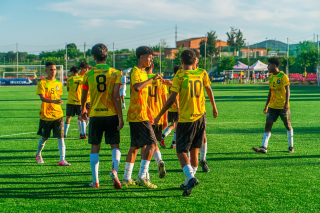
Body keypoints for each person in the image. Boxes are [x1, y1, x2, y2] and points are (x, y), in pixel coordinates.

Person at [154, 49, 218, 197]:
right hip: (201, 117)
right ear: (195, 62)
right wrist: (214, 108)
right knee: (195, 149)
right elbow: (209, 89)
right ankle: (187, 181)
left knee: (181, 151)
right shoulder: (202, 73)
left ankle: (190, 178)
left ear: (181, 62)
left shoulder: (180, 75)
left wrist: (159, 116)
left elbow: (171, 100)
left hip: (186, 119)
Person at [81, 43, 124, 189]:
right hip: (111, 114)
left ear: (94, 57)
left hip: (95, 115)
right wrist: (120, 116)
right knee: (115, 146)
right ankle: (114, 170)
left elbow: (84, 94)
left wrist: (83, 109)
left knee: (95, 147)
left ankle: (95, 181)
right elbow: (116, 96)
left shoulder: (88, 74)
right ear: (107, 56)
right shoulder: (115, 72)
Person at [122, 46, 161, 189]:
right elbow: (137, 87)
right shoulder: (135, 72)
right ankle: (142, 177)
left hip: (140, 114)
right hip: (138, 115)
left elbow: (142, 97)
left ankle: (126, 178)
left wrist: (149, 112)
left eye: (152, 57)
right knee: (151, 144)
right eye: (149, 56)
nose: (151, 59)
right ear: (141, 57)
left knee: (135, 147)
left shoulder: (143, 73)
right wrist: (151, 79)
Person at [253, 58, 293, 154]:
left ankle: (291, 147)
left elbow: (288, 90)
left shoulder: (283, 76)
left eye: (269, 64)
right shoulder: (270, 77)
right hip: (272, 106)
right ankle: (263, 147)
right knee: (268, 125)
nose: (268, 66)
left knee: (287, 125)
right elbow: (270, 92)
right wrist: (266, 106)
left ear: (275, 65)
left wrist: (286, 103)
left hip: (283, 106)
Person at [35, 61, 71, 166]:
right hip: (46, 115)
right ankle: (38, 154)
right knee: (45, 137)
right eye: (51, 69)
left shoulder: (58, 84)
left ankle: (62, 159)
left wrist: (58, 102)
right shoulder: (42, 83)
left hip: (58, 114)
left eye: (55, 69)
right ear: (46, 71)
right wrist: (54, 101)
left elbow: (57, 97)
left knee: (61, 136)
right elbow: (42, 98)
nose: (53, 71)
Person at [143, 62, 167, 179]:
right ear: (152, 67)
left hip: (145, 117)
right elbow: (165, 100)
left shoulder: (142, 80)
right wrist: (165, 118)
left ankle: (145, 173)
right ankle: (159, 160)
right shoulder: (160, 80)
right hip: (158, 116)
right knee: (154, 143)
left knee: (145, 146)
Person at [161, 65, 180, 149]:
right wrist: (179, 107)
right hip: (176, 107)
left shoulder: (171, 80)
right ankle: (174, 144)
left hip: (170, 107)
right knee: (177, 126)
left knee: (173, 125)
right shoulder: (177, 80)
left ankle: (162, 136)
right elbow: (175, 95)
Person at [64, 66, 85, 139]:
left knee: (68, 118)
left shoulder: (69, 79)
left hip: (70, 101)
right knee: (81, 118)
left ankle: (64, 134)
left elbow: (68, 89)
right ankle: (83, 134)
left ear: (72, 72)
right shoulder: (82, 79)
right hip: (79, 101)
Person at [79, 62, 91, 137]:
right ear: (81, 69)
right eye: (85, 69)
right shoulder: (79, 77)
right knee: (81, 116)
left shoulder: (89, 75)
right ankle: (82, 133)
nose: (86, 70)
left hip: (89, 99)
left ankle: (84, 131)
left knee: (89, 116)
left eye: (87, 68)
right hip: (81, 99)